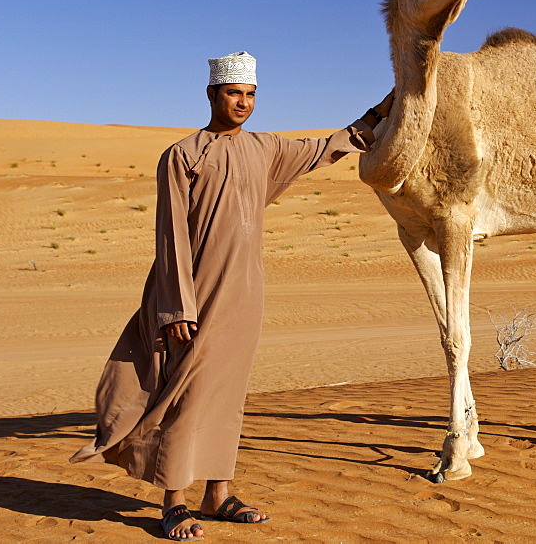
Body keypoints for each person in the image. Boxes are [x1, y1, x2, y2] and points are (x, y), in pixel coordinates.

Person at [71, 51, 393, 541]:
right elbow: (170, 236)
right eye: (233, 93)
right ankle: (173, 501)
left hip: (245, 292)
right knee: (186, 392)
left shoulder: (264, 150)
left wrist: (382, 110)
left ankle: (218, 494)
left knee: (228, 395)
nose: (242, 103)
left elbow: (328, 146)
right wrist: (176, 306)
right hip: (193, 294)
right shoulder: (183, 155)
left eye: (250, 94)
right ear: (211, 94)